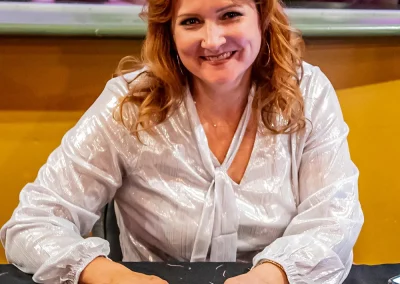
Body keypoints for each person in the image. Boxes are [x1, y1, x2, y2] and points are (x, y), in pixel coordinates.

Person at [0, 0, 364, 283]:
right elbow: (34, 222)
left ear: (262, 16)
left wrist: (272, 276)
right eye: (191, 21)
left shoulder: (307, 92)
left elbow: (334, 219)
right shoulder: (128, 103)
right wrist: (110, 274)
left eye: (230, 15)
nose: (213, 40)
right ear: (168, 32)